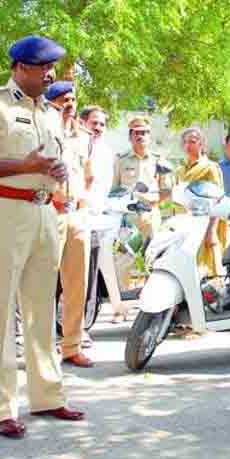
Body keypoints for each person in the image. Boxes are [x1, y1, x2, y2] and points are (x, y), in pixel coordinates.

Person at [0, 35, 84, 439]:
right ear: (20, 68)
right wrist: (22, 165)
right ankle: (1, 406)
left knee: (41, 309)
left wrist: (56, 171)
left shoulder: (49, 112)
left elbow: (45, 161)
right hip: (2, 210)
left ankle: (47, 395)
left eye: (51, 68)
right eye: (42, 67)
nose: (50, 75)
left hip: (45, 211)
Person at [45, 81, 94, 368]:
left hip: (76, 214)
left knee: (77, 284)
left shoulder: (82, 136)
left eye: (73, 99)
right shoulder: (45, 129)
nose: (70, 103)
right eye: (64, 98)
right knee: (44, 283)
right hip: (50, 210)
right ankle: (41, 347)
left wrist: (83, 200)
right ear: (52, 102)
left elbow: (87, 174)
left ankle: (72, 345)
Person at [80, 106, 128, 322]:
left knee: (105, 264)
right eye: (94, 123)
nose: (98, 128)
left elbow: (106, 186)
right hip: (76, 214)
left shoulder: (107, 152)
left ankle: (117, 307)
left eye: (102, 124)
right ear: (83, 123)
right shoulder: (76, 145)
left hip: (99, 217)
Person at [176, 128, 227, 277]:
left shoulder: (210, 168)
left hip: (203, 225)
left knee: (206, 272)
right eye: (185, 142)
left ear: (201, 144)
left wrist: (211, 231)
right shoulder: (180, 169)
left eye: (192, 141)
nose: (188, 145)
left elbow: (218, 199)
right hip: (184, 225)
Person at [112, 116, 171, 241]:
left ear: (149, 137)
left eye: (143, 133)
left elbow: (166, 189)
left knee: (150, 255)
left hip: (150, 215)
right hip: (127, 216)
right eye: (136, 133)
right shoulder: (120, 159)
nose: (140, 136)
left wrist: (153, 203)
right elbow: (114, 188)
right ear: (130, 137)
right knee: (125, 257)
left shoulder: (158, 159)